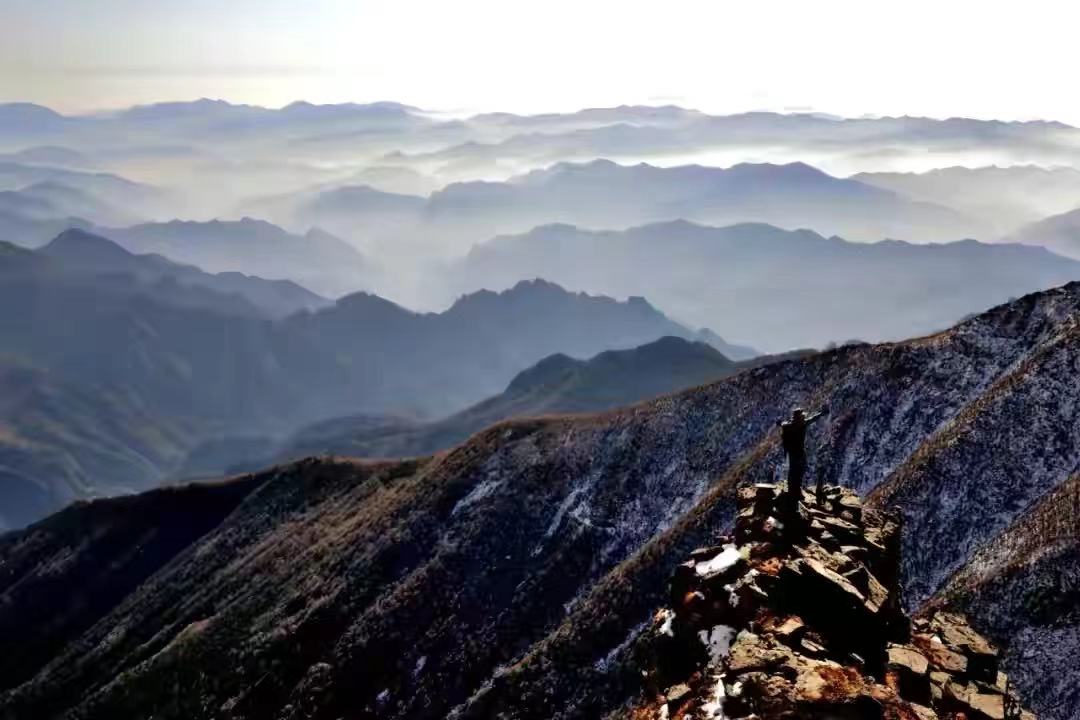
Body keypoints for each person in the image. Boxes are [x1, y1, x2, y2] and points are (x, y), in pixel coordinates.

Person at [776, 407, 826, 504]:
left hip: (792, 452)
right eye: (802, 416)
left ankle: (793, 491)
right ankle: (795, 492)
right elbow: (812, 419)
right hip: (798, 452)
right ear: (799, 417)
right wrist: (821, 413)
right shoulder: (802, 424)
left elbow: (782, 425)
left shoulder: (789, 426)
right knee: (798, 472)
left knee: (794, 472)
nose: (804, 417)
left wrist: (779, 423)